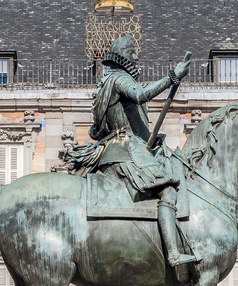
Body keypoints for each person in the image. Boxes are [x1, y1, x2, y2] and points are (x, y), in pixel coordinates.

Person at [84, 35, 195, 266]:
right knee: (168, 189)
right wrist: (172, 77)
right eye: (132, 52)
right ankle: (173, 254)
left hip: (120, 149)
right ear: (122, 56)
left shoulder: (108, 82)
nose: (136, 57)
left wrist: (149, 138)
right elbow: (141, 95)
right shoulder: (119, 78)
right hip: (126, 151)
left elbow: (107, 126)